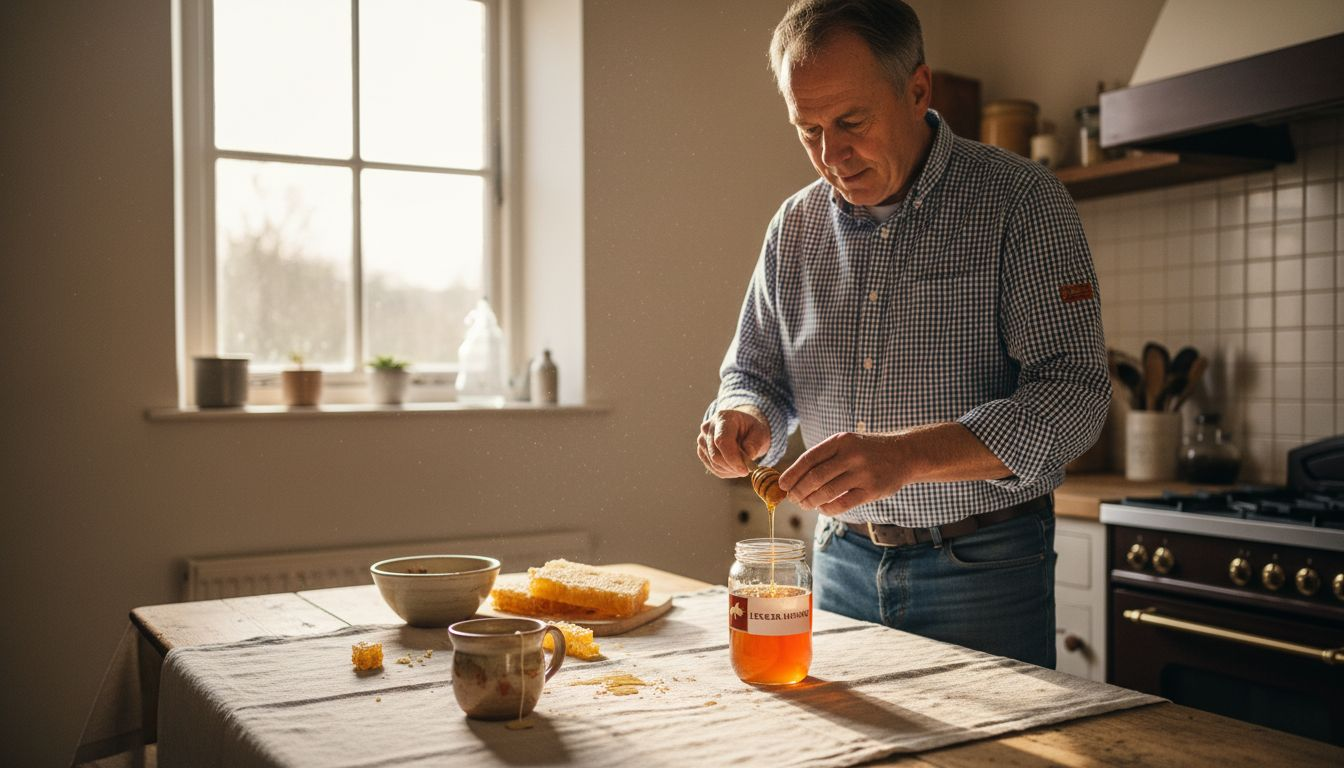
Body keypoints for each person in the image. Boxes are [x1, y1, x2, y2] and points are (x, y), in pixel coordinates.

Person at [696, 0, 1109, 668]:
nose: (831, 154)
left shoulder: (1021, 202)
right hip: (838, 559)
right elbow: (756, 374)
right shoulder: (793, 228)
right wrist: (743, 414)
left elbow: (1074, 398)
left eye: (851, 121)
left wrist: (908, 456)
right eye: (809, 130)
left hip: (985, 569)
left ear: (918, 90)